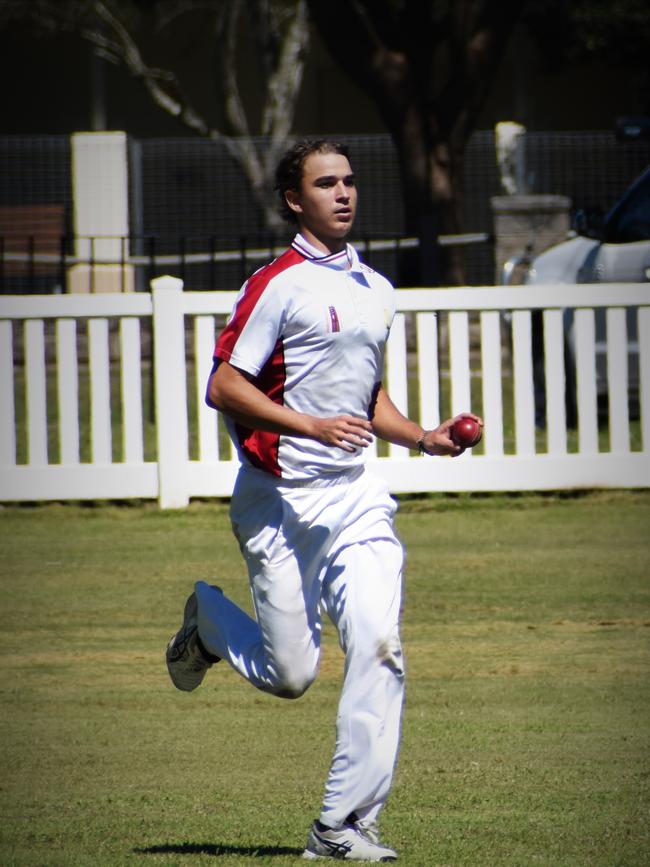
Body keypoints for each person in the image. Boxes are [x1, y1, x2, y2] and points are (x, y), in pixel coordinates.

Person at [166, 139, 482, 862]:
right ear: (293, 200)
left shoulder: (375, 287)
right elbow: (224, 385)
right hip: (276, 501)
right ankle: (211, 624)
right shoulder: (276, 284)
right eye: (325, 183)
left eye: (349, 181)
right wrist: (308, 424)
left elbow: (366, 397)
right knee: (293, 675)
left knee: (379, 643)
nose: (343, 193)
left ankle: (341, 826)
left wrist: (423, 437)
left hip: (356, 498)